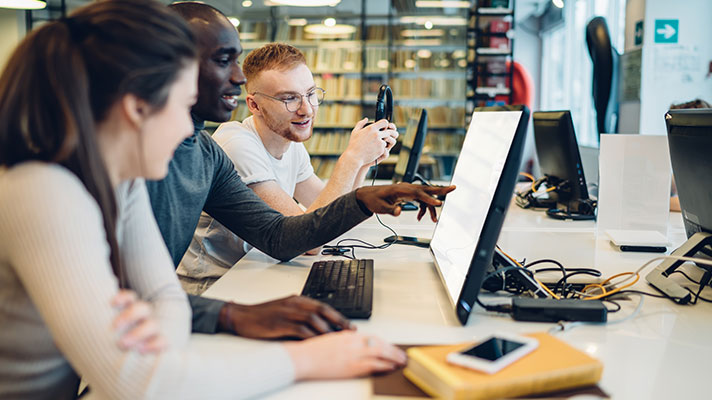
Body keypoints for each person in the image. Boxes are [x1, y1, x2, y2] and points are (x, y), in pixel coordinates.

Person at [0, 1, 451, 398]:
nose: (188, 132)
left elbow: (165, 302)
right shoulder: (43, 191)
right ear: (137, 110)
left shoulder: (130, 178)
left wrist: (161, 317)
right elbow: (137, 381)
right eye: (182, 108)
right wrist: (310, 361)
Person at [147, 1, 453, 339]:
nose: (237, 77)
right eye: (224, 61)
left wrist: (364, 194)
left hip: (199, 304)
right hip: (196, 301)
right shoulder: (200, 148)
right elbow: (131, 296)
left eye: (310, 94)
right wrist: (350, 161)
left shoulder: (205, 153)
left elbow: (280, 235)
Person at [178, 42, 399, 294]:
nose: (306, 110)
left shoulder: (289, 141)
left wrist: (363, 162)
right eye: (289, 98)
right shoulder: (237, 144)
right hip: (215, 286)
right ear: (254, 105)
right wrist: (350, 159)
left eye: (311, 94)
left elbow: (333, 215)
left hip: (258, 271)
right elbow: (306, 241)